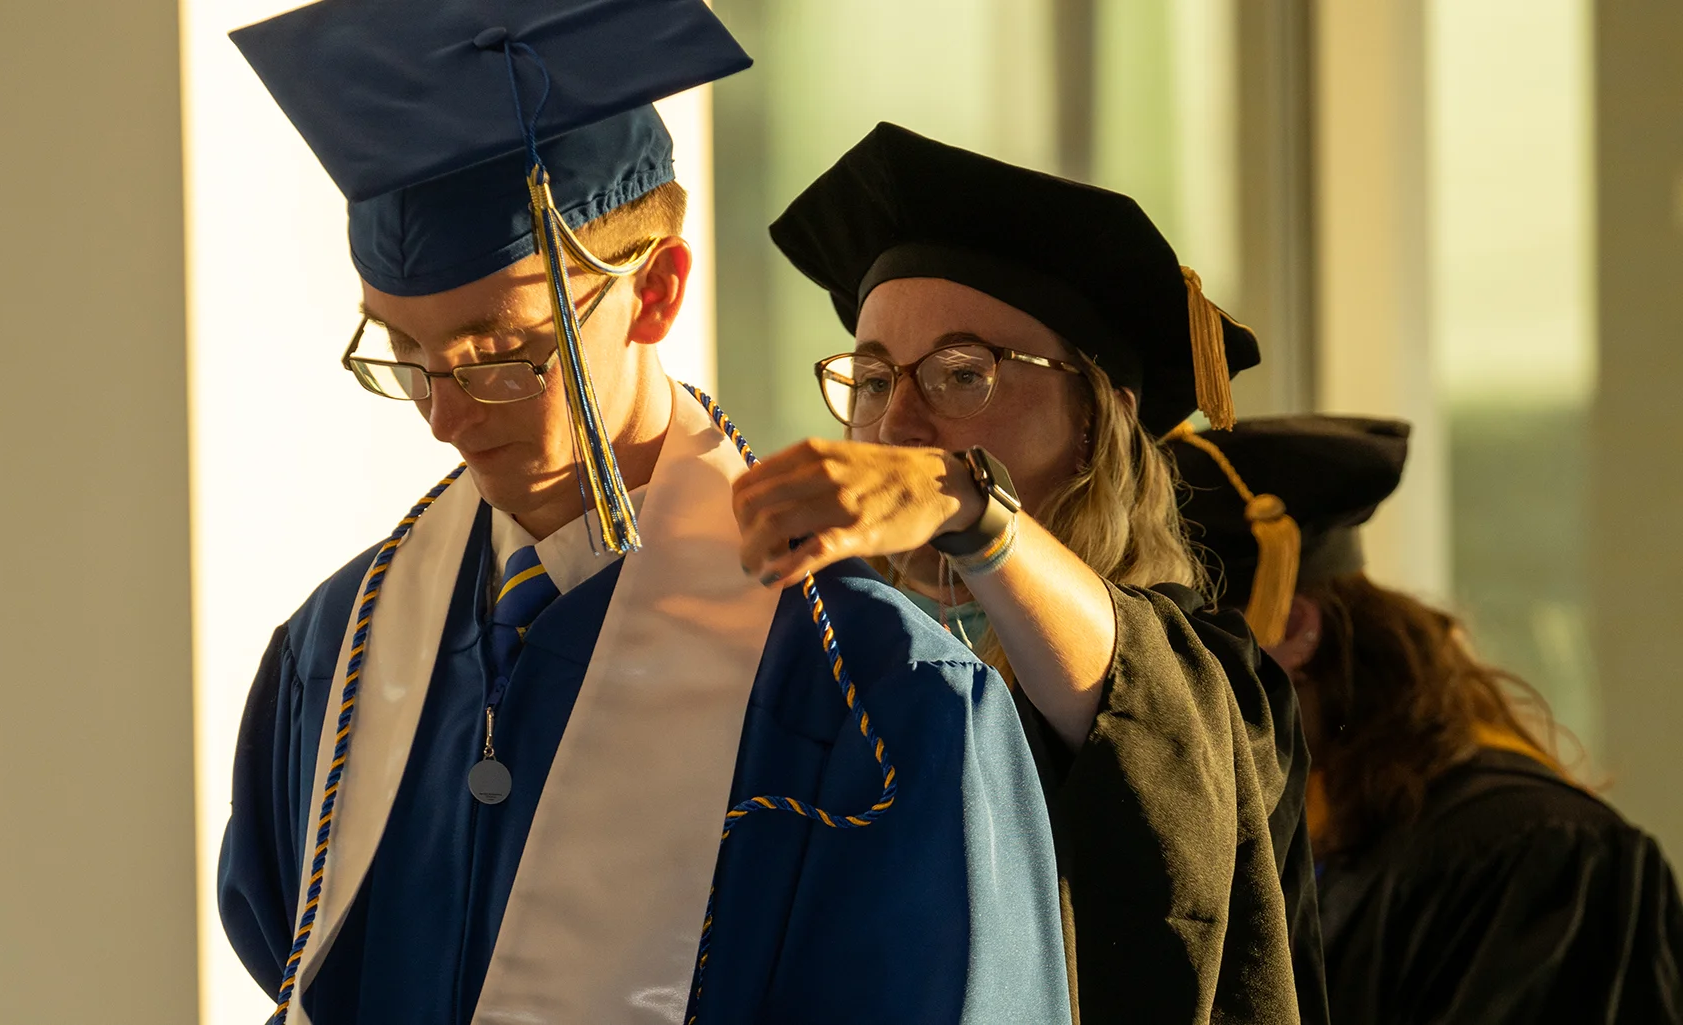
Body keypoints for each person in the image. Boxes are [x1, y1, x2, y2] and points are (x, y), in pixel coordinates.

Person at [215, 5, 1069, 1025]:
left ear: (656, 291)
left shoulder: (873, 689)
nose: (443, 418)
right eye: (403, 354)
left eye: (498, 358)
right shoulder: (339, 651)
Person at [748, 123, 1327, 1024]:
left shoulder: (1211, 681)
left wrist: (971, 507)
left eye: (961, 372)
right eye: (871, 377)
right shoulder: (826, 653)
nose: (896, 420)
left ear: (1098, 414)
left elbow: (1148, 727)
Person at [1166, 414, 1683, 1025]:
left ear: (1294, 628)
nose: (1160, 673)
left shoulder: (1535, 852)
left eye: (1183, 636)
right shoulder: (1301, 824)